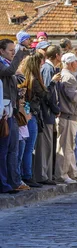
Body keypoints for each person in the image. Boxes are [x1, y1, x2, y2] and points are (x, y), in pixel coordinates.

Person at [55, 53, 77, 184]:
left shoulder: (69, 76)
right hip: (68, 116)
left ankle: (73, 172)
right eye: (75, 62)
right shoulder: (68, 77)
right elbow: (73, 97)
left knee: (69, 146)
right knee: (65, 147)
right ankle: (62, 175)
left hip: (71, 116)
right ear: (69, 63)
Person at [0, 39, 28, 192]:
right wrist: (19, 56)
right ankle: (4, 184)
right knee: (3, 150)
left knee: (11, 149)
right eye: (10, 50)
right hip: (3, 114)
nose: (12, 53)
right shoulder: (2, 64)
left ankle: (11, 181)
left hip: (10, 112)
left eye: (13, 50)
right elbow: (9, 72)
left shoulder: (6, 63)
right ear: (1, 51)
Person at [17, 52, 48, 188]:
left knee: (24, 147)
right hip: (31, 115)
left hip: (25, 114)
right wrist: (51, 83)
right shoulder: (35, 80)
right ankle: (27, 175)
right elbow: (44, 94)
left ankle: (24, 175)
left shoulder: (24, 78)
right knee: (28, 147)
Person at [36, 45, 61, 185]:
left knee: (48, 145)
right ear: (57, 55)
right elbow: (46, 92)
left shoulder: (52, 68)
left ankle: (46, 175)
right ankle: (42, 175)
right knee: (44, 146)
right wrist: (55, 108)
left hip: (50, 112)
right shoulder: (48, 68)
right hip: (46, 112)